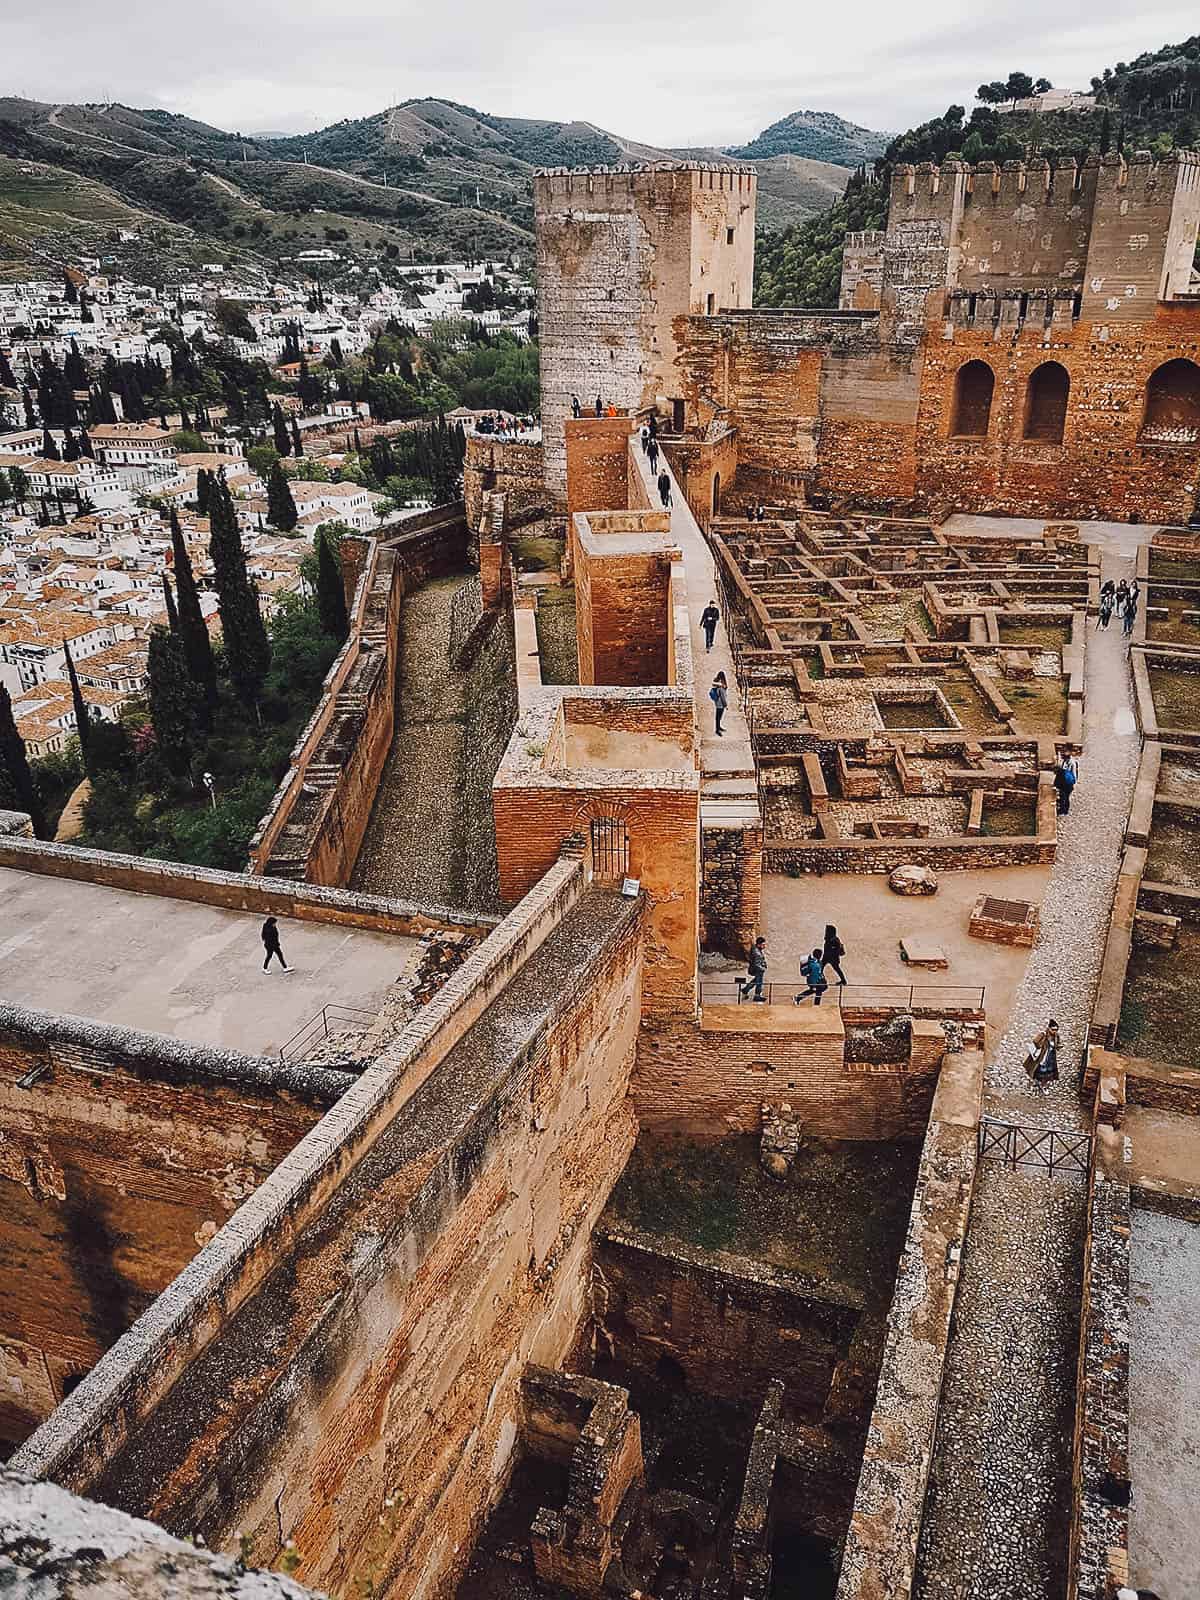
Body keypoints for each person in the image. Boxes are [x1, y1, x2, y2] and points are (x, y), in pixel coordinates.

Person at [1025, 1020, 1060, 1092]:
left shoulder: (1056, 1036)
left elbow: (1057, 1044)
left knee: (1048, 1072)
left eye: (1056, 1030)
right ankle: (1035, 1081)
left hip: (1050, 1057)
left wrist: (1058, 1046)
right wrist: (1040, 1045)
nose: (1054, 1031)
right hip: (1042, 1056)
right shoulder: (1043, 1034)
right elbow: (1035, 1041)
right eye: (1053, 1029)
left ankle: (1043, 1084)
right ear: (1049, 1028)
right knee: (1037, 1069)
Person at [740, 936, 768, 1002]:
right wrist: (762, 969)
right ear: (759, 945)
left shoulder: (755, 948)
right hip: (757, 970)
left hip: (755, 968)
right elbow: (757, 964)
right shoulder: (757, 953)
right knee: (759, 983)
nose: (764, 946)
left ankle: (745, 990)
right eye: (763, 944)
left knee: (755, 981)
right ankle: (757, 996)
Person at [710, 671, 728, 736]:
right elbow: (723, 697)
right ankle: (717, 730)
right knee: (718, 717)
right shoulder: (721, 686)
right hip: (720, 703)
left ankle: (718, 727)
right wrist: (725, 705)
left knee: (718, 717)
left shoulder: (717, 683)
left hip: (717, 702)